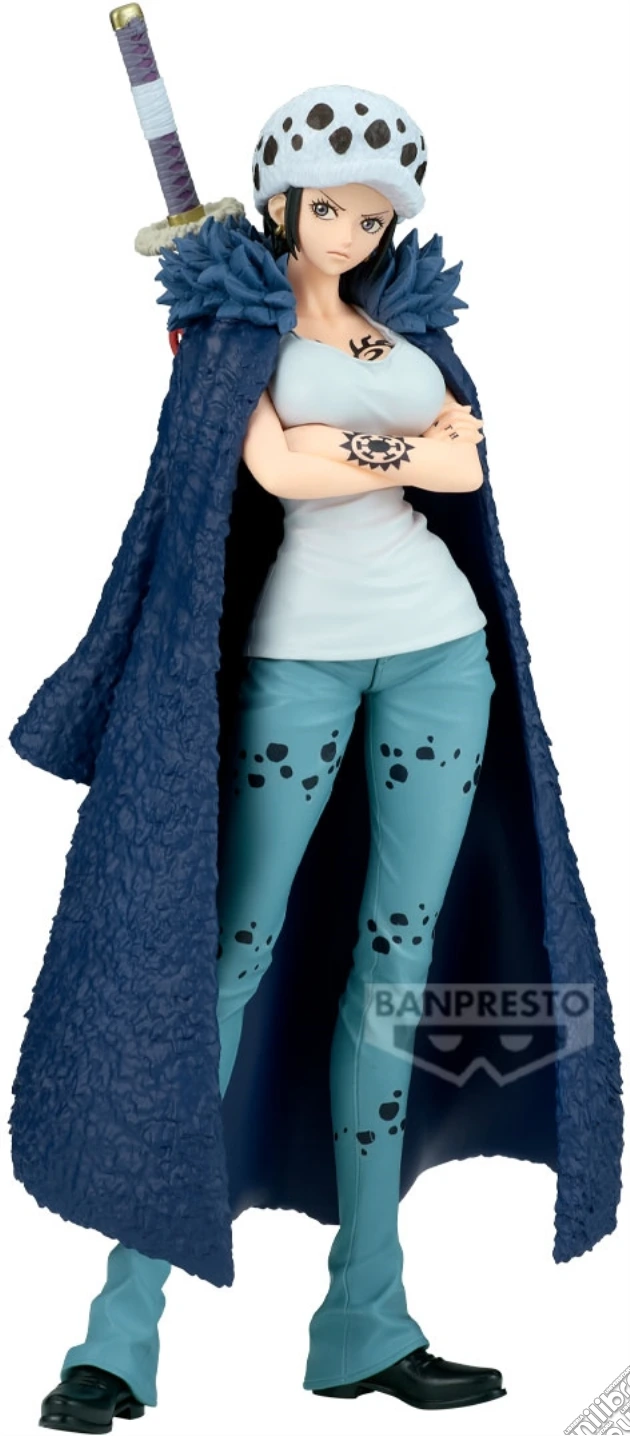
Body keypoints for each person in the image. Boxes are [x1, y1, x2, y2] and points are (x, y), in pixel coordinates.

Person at [10, 84, 619, 1433]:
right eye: (330, 205)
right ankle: (120, 1335)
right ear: (281, 200)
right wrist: (394, 449)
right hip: (295, 665)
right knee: (222, 963)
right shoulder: (229, 333)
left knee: (393, 978)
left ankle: (368, 1323)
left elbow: (462, 471)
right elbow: (278, 476)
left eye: (374, 214)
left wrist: (353, 445)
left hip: (441, 659)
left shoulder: (407, 333)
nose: (350, 231)